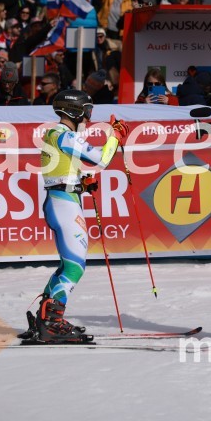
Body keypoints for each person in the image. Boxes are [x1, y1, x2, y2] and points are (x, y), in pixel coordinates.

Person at [24, 89, 129, 342]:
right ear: (74, 110)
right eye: (87, 110)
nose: (89, 116)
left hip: (62, 199)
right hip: (64, 204)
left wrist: (82, 182)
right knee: (74, 267)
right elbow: (101, 159)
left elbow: (65, 167)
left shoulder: (58, 134)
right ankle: (51, 322)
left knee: (66, 265)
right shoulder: (64, 134)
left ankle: (46, 318)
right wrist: (114, 136)